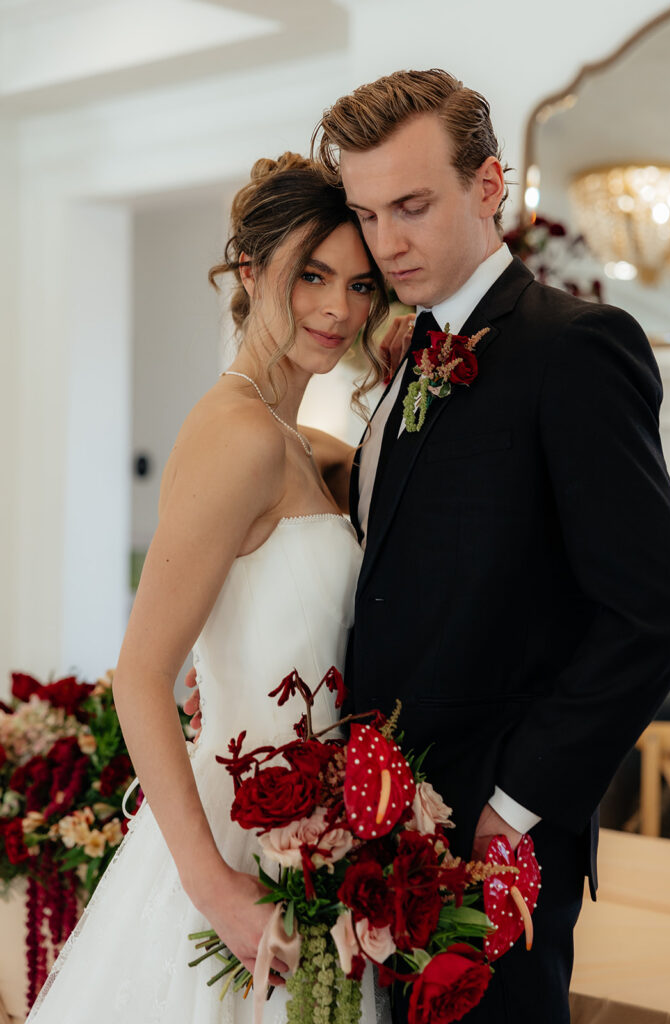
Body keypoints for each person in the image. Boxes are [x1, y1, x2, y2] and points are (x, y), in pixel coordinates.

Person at [307, 69, 670, 1024]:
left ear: (488, 185)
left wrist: (511, 806)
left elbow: (651, 612)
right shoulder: (406, 354)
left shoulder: (576, 346)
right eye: (366, 215)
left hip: (492, 835)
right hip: (377, 824)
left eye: (411, 206)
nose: (386, 243)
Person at [26, 153, 409, 1024]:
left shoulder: (302, 443)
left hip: (315, 839)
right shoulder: (239, 434)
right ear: (249, 269)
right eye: (311, 274)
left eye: (360, 285)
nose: (337, 309)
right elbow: (139, 676)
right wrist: (215, 889)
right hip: (236, 847)